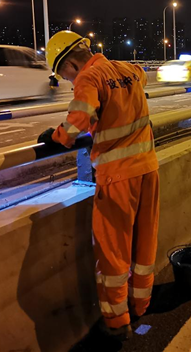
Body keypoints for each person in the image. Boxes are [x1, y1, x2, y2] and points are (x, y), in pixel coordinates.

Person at [37, 31, 159, 341]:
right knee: (144, 243)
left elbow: (77, 120)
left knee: (113, 254)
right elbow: (137, 89)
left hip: (117, 177)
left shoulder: (88, 78)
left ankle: (117, 323)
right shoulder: (129, 69)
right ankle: (141, 304)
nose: (65, 80)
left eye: (62, 73)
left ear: (70, 64)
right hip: (148, 168)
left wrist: (57, 136)